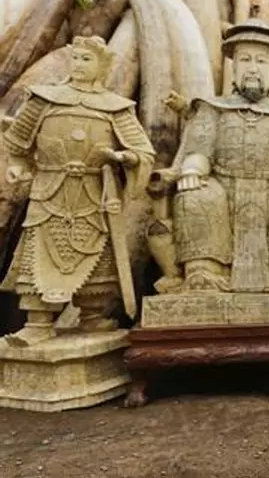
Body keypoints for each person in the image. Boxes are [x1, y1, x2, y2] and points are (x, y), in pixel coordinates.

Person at [0, 36, 156, 346]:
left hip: (94, 194)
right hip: (50, 192)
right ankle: (38, 321)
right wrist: (16, 165)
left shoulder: (116, 108)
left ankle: (92, 315)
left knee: (97, 258)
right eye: (76, 58)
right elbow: (17, 142)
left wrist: (124, 158)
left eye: (87, 59)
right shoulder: (43, 100)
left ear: (102, 66)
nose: (79, 65)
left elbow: (143, 151)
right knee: (40, 253)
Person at [165, 17, 269, 293]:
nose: (252, 68)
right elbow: (200, 149)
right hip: (223, 185)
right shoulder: (212, 108)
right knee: (194, 197)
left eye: (261, 61)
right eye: (245, 60)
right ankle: (204, 271)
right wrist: (192, 170)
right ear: (233, 68)